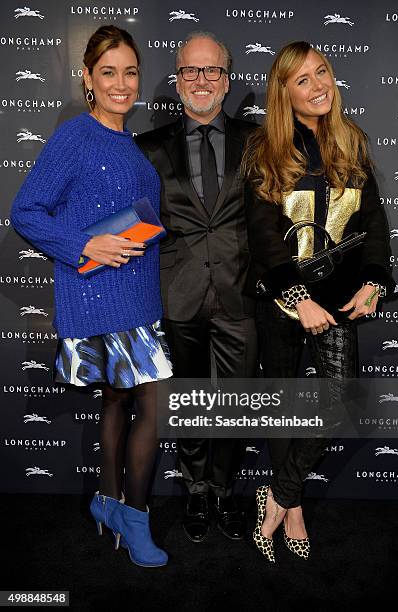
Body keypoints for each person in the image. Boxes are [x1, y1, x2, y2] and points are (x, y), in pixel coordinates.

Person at [11, 26, 172, 568]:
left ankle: (107, 503)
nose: (121, 84)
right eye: (109, 72)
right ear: (87, 77)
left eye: (130, 72)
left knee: (120, 400)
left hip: (140, 296)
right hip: (99, 296)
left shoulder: (131, 142)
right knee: (149, 400)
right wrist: (85, 243)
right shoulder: (74, 137)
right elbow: (26, 212)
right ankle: (135, 515)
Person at [242, 41, 395, 562]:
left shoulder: (351, 140)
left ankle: (282, 495)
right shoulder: (265, 148)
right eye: (303, 79)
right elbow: (262, 235)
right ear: (284, 93)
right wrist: (297, 296)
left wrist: (374, 281)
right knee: (284, 408)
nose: (318, 85)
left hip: (337, 299)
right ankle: (297, 507)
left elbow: (373, 222)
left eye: (322, 72)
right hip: (282, 300)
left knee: (342, 398)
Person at [136, 32, 258, 543]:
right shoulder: (146, 148)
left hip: (241, 294)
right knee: (187, 398)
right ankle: (196, 492)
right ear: (178, 80)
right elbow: (129, 223)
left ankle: (226, 491)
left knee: (234, 401)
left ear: (226, 81)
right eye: (190, 71)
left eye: (211, 71)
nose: (201, 80)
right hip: (176, 294)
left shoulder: (258, 143)